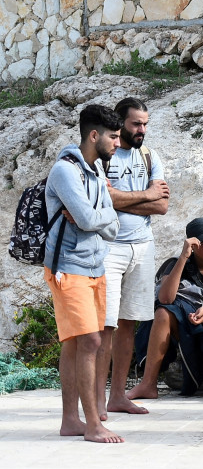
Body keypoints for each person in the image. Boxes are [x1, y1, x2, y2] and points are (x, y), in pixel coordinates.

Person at [43, 103, 123, 443]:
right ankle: (92, 425)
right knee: (90, 341)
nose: (118, 143)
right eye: (113, 137)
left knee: (77, 345)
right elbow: (94, 220)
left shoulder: (96, 173)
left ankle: (70, 421)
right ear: (94, 135)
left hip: (95, 265)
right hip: (67, 268)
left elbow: (112, 227)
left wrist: (96, 215)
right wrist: (97, 214)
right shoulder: (64, 171)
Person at [96, 97, 169, 416]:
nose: (142, 130)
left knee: (129, 322)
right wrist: (145, 195)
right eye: (135, 124)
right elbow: (103, 197)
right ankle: (97, 398)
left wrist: (123, 199)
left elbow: (162, 205)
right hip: (109, 247)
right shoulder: (105, 156)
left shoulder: (151, 156)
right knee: (105, 325)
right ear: (120, 123)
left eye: (145, 124)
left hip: (143, 244)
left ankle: (118, 396)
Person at [127, 218, 203, 399]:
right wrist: (183, 257)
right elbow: (166, 299)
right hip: (188, 331)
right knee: (162, 312)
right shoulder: (178, 263)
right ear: (192, 245)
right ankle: (148, 384)